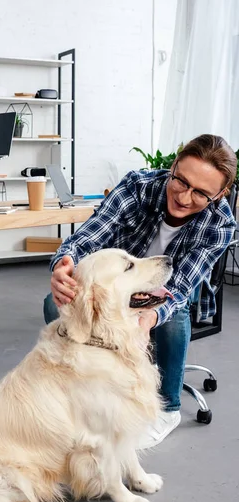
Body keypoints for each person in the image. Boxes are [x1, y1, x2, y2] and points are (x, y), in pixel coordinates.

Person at [44, 135, 237, 449]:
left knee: (173, 314)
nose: (185, 198)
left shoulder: (220, 225)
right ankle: (88, 388)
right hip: (117, 293)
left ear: (221, 194)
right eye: (181, 181)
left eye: (201, 193)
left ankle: (169, 407)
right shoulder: (138, 187)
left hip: (164, 295)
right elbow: (89, 238)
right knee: (56, 307)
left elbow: (179, 287)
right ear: (172, 166)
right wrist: (64, 264)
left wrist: (149, 318)